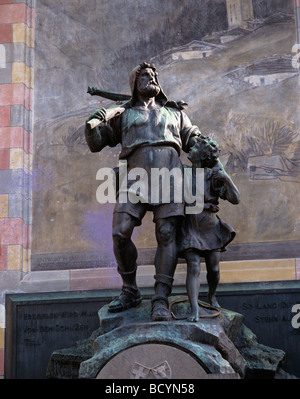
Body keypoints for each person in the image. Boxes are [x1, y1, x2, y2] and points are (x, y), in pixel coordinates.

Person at [85, 62, 201, 321]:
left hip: (170, 175)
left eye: (153, 75)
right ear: (134, 85)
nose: (151, 78)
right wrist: (93, 123)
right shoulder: (123, 115)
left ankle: (160, 298)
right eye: (145, 76)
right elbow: (97, 143)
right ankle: (130, 290)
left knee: (166, 232)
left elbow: (194, 142)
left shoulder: (175, 113)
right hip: (134, 177)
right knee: (120, 232)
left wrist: (205, 150)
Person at [177, 137, 240, 322]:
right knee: (193, 266)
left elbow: (235, 199)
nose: (191, 147)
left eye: (195, 146)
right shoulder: (182, 171)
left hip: (210, 225)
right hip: (190, 225)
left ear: (202, 155)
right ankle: (194, 309)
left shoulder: (212, 176)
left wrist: (226, 178)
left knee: (213, 268)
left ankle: (212, 295)